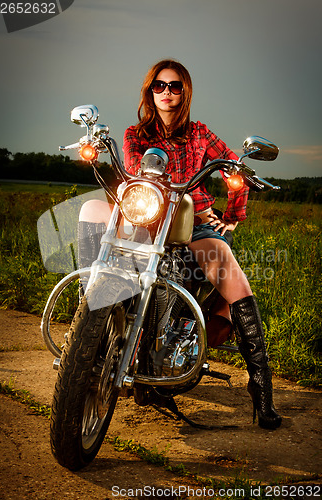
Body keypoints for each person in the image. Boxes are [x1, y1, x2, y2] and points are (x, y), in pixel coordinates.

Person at [79, 59, 282, 430]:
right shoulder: (134, 134)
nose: (167, 92)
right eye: (159, 85)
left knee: (228, 267)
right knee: (93, 207)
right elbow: (137, 170)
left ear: (185, 92)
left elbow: (235, 169)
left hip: (192, 223)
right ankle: (89, 317)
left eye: (175, 87)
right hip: (146, 219)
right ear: (149, 91)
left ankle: (261, 388)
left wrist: (232, 215)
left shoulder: (201, 134)